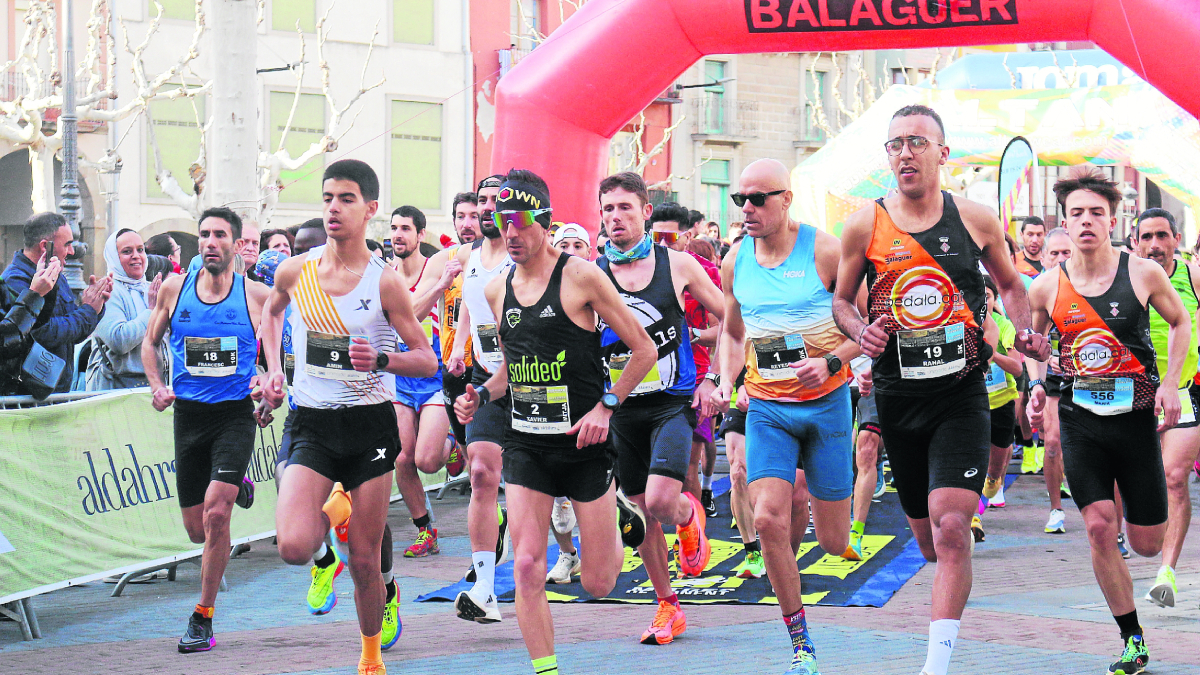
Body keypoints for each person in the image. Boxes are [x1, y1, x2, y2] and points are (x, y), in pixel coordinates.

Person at [831, 105, 1048, 675]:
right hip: (897, 397)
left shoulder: (975, 219)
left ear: (942, 154)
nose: (905, 153)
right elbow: (841, 300)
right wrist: (860, 329)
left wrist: (1025, 334)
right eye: (895, 144)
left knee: (953, 527)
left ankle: (936, 664)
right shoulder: (863, 225)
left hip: (961, 395)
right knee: (929, 542)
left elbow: (1010, 284)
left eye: (917, 143)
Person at [454, 169, 656, 675]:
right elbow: (510, 369)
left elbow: (643, 349)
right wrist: (480, 393)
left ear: (544, 222)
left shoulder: (583, 276)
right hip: (526, 444)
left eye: (520, 223)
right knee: (526, 565)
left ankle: (622, 511)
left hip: (584, 445)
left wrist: (606, 406)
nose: (510, 234)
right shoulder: (498, 288)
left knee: (598, 584)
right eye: (500, 223)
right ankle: (546, 669)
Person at [260, 160, 437, 675]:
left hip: (369, 426)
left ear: (371, 209)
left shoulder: (384, 283)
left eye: (347, 199)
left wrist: (381, 360)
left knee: (366, 561)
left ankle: (370, 660)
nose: (334, 208)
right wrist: (274, 370)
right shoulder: (296, 270)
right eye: (328, 198)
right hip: (312, 421)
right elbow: (272, 313)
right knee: (294, 546)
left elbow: (426, 358)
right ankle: (331, 526)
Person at [1028, 168, 1187, 675]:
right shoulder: (1046, 287)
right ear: (1066, 222)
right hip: (1080, 423)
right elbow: (1035, 347)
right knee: (1099, 526)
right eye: (1077, 213)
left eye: (1096, 212)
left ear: (1113, 220)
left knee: (1146, 543)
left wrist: (1170, 383)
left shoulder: (1141, 273)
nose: (1087, 221)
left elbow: (1182, 321)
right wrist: (1036, 385)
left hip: (1136, 422)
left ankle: (1142, 549)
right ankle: (1132, 639)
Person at [709, 159, 858, 675]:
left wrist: (831, 360)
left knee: (836, 542)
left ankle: (820, 500)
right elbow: (731, 333)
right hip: (768, 409)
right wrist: (726, 379)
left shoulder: (824, 250)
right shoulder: (734, 262)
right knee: (768, 516)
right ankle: (800, 641)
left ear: (787, 198)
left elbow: (866, 326)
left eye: (758, 199)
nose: (747, 209)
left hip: (827, 406)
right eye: (739, 200)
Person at [597, 172, 725, 644]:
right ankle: (667, 606)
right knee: (641, 512)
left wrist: (714, 375)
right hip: (621, 408)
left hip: (672, 403)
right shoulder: (593, 273)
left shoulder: (677, 265)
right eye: (608, 209)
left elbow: (727, 315)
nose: (615, 218)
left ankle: (689, 518)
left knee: (659, 500)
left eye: (625, 208)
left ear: (645, 211)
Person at [140, 207, 267, 653]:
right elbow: (149, 343)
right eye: (204, 235)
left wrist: (267, 389)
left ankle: (203, 617)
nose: (211, 242)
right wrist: (157, 386)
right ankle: (239, 486)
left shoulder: (256, 297)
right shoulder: (174, 290)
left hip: (233, 415)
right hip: (188, 417)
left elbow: (276, 364)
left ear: (235, 245)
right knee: (197, 530)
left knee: (217, 514)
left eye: (220, 235)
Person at [441, 175, 516, 623]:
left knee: (556, 488)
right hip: (484, 376)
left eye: (494, 201)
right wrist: (457, 346)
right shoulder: (471, 256)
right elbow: (471, 303)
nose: (486, 208)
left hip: (533, 383)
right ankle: (485, 588)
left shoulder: (525, 254)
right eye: (481, 200)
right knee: (483, 472)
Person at [1132, 207, 1200, 609]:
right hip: (1134, 394)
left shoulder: (1192, 276)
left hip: (1183, 392)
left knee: (1175, 477)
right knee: (1139, 478)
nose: (1155, 245)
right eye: (1147, 237)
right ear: (1135, 241)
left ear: (1176, 239)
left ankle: (1166, 573)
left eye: (1162, 236)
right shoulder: (1127, 276)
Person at [647, 203, 721, 514]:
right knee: (645, 461)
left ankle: (689, 538)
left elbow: (728, 328)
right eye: (657, 236)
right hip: (648, 373)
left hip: (693, 374)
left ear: (687, 236)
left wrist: (693, 336)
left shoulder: (706, 272)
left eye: (670, 237)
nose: (663, 243)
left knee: (690, 456)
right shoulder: (639, 269)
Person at [387, 205, 451, 559]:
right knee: (402, 459)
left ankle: (451, 442)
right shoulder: (385, 274)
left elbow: (411, 313)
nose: (398, 234)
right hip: (400, 379)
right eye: (394, 228)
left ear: (420, 235)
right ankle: (425, 530)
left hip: (434, 377)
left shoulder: (434, 267)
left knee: (427, 461)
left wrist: (441, 286)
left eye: (405, 228)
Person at [411, 191, 481, 480]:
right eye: (460, 217)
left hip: (494, 367)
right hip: (457, 367)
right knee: (471, 463)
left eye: (474, 216)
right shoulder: (443, 260)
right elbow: (412, 314)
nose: (466, 224)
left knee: (490, 459)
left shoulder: (507, 258)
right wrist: (442, 284)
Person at [2, 212, 111, 393]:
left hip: (57, 392)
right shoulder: (15, 280)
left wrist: (95, 306)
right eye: (67, 244)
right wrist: (88, 311)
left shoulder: (56, 276)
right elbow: (43, 331)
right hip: (28, 395)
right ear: (46, 246)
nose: (72, 251)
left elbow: (71, 333)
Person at [544, 226, 590, 585]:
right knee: (554, 494)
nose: (571, 251)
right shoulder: (536, 291)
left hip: (596, 405)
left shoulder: (601, 289)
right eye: (564, 245)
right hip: (550, 403)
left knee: (593, 487)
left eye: (579, 245)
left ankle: (598, 547)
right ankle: (566, 553)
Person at [86, 229, 166, 390]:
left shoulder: (152, 289)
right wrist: (152, 310)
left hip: (152, 387)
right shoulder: (107, 290)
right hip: (115, 389)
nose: (136, 256)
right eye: (127, 251)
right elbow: (119, 340)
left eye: (140, 250)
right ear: (114, 257)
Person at [976, 275, 1024, 541]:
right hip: (972, 403)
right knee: (971, 460)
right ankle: (974, 517)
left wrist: (992, 355)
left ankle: (993, 483)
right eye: (978, 295)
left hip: (1002, 402)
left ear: (995, 300)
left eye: (988, 296)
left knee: (995, 467)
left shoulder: (1004, 325)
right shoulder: (963, 322)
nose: (983, 301)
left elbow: (1017, 368)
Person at [1032, 227, 1074, 531]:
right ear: (1045, 257)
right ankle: (1056, 509)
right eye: (1055, 253)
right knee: (1053, 444)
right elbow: (1031, 343)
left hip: (1089, 378)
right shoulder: (1039, 289)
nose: (1060, 259)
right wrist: (1037, 383)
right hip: (1053, 379)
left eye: (1066, 253)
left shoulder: (1090, 284)